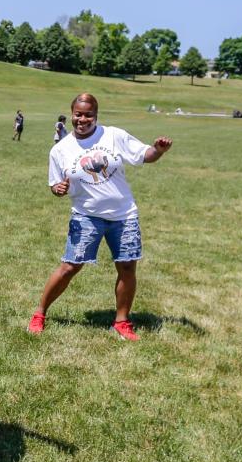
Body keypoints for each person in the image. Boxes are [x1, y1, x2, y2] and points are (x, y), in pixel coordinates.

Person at [27, 93, 172, 341]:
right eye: (78, 114)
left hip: (123, 214)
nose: (83, 119)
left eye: (88, 115)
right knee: (70, 266)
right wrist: (58, 190)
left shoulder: (113, 135)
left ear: (96, 115)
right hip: (86, 215)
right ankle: (40, 313)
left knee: (127, 267)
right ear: (71, 113)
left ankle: (122, 321)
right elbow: (55, 185)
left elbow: (144, 155)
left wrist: (158, 150)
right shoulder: (60, 149)